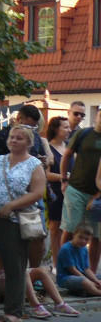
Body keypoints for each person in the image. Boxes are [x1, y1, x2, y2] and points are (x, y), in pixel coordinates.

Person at [0, 124, 47, 322]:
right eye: (12, 137)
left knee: (14, 265)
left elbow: (37, 193)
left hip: (14, 221)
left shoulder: (34, 165)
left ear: (29, 143)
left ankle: (14, 311)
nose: (14, 140)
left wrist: (12, 205)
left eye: (19, 138)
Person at [60, 108, 101, 272]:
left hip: (98, 195)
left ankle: (90, 271)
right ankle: (62, 268)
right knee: (71, 229)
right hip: (76, 189)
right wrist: (64, 179)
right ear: (97, 116)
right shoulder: (84, 134)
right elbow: (67, 155)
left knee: (96, 236)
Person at [45, 116, 70, 267]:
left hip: (70, 191)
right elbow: (46, 174)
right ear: (55, 129)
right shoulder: (48, 148)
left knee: (68, 229)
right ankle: (55, 263)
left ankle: (66, 262)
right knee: (55, 228)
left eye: (68, 127)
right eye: (65, 127)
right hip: (54, 192)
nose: (68, 130)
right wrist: (64, 177)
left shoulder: (69, 147)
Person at [56, 224, 101, 297]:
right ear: (74, 235)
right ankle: (96, 292)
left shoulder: (84, 249)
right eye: (80, 237)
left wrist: (95, 280)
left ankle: (88, 290)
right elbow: (72, 270)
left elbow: (86, 269)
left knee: (96, 278)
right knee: (85, 282)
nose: (83, 241)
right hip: (66, 278)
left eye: (86, 239)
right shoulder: (66, 249)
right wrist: (90, 282)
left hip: (81, 275)